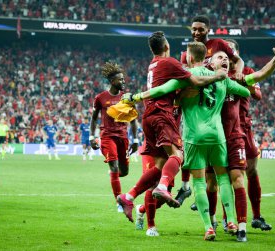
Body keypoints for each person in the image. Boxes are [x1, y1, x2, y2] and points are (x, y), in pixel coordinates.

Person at [116, 31, 226, 233]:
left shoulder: (154, 64)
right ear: (166, 46)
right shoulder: (170, 64)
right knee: (178, 155)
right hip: (161, 115)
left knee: (159, 166)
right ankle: (162, 187)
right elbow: (197, 81)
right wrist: (218, 75)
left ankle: (128, 196)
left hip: (149, 116)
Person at [176, 14, 246, 206]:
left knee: (220, 171)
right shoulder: (187, 53)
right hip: (196, 109)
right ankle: (186, 186)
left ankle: (224, 214)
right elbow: (184, 77)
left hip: (217, 105)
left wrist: (238, 71)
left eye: (200, 29)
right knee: (191, 149)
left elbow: (238, 61)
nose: (196, 32)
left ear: (208, 30)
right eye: (194, 29)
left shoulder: (219, 44)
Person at [225, 39, 273, 232]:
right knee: (229, 175)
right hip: (225, 128)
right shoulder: (219, 71)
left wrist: (246, 82)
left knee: (252, 170)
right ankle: (227, 219)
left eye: (231, 50)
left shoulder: (248, 71)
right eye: (225, 50)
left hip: (245, 127)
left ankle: (257, 216)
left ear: (238, 52)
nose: (228, 53)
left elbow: (258, 96)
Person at [89, 61, 139, 212]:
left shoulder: (127, 97)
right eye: (120, 79)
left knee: (123, 172)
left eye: (124, 79)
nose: (123, 82)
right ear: (112, 81)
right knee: (115, 166)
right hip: (107, 136)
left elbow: (133, 120)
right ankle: (119, 201)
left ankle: (113, 174)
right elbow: (94, 118)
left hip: (122, 137)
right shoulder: (101, 98)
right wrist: (92, 137)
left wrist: (135, 139)